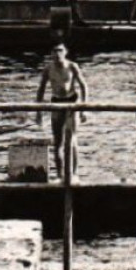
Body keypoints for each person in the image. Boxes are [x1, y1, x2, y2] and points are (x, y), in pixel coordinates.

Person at [35, 43, 89, 178]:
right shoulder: (48, 69)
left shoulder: (72, 66)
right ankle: (60, 175)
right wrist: (39, 112)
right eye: (55, 51)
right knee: (58, 141)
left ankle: (74, 174)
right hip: (57, 102)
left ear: (65, 52)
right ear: (51, 53)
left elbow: (84, 87)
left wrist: (84, 108)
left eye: (60, 50)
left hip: (71, 102)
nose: (57, 53)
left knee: (71, 141)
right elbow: (41, 90)